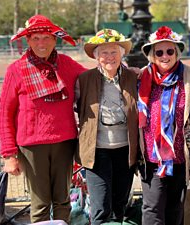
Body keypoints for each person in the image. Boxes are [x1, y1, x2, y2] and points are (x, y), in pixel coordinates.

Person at [0, 14, 86, 223]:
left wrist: (127, 72)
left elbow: (94, 78)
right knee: (40, 202)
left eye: (46, 37)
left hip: (64, 142)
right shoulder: (16, 70)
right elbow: (4, 114)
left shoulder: (66, 64)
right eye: (36, 38)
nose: (41, 43)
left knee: (63, 199)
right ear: (27, 41)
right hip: (32, 147)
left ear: (55, 40)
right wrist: (9, 154)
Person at [74, 29, 139, 224]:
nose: (109, 57)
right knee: (101, 205)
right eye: (104, 52)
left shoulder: (133, 77)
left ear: (121, 54)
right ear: (96, 56)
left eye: (114, 52)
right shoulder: (84, 80)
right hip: (97, 151)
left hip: (125, 151)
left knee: (120, 203)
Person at [137, 26, 190, 225]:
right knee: (152, 208)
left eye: (170, 51)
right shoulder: (140, 78)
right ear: (151, 55)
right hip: (151, 157)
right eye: (159, 52)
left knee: (175, 208)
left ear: (177, 53)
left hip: (180, 156)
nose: (165, 56)